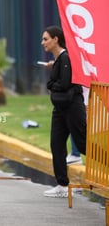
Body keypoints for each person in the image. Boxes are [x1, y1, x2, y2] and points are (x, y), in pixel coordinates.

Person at [41, 25, 86, 198]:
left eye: (45, 39)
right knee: (56, 144)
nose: (42, 42)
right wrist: (53, 84)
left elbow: (65, 84)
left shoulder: (66, 58)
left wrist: (51, 85)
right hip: (60, 109)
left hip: (72, 108)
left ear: (55, 39)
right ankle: (62, 184)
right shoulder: (59, 60)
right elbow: (60, 84)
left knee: (83, 144)